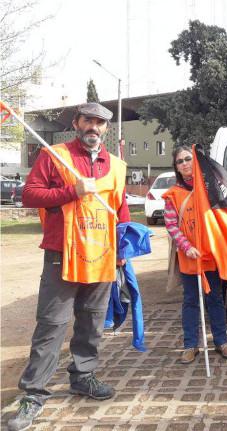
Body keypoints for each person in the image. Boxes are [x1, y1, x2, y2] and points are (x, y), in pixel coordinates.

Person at [9, 103, 130, 431]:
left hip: (102, 254)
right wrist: (70, 191)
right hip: (61, 253)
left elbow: (120, 210)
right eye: (88, 120)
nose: (94, 127)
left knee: (92, 321)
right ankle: (33, 394)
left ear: (106, 128)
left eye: (100, 123)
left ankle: (83, 375)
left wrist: (123, 251)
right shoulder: (55, 155)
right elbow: (30, 195)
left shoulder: (116, 165)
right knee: (52, 324)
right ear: (77, 123)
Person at [162, 146, 227, 364]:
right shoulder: (172, 194)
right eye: (180, 161)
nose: (185, 163)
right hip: (188, 258)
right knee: (191, 301)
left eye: (188, 159)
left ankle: (222, 342)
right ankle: (190, 345)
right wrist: (186, 247)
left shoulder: (210, 188)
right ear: (176, 167)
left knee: (215, 300)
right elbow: (171, 226)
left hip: (210, 257)